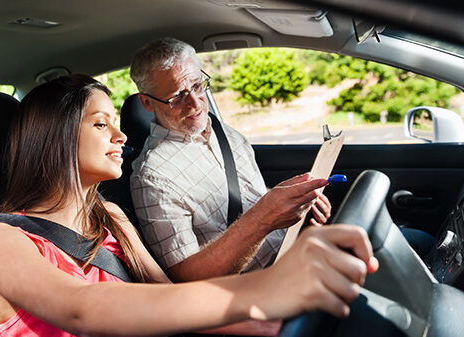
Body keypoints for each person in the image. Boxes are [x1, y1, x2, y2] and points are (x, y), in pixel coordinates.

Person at [0, 74, 378, 337]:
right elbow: (82, 309)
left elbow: (169, 297)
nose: (122, 137)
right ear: (55, 140)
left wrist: (262, 321)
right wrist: (265, 289)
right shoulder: (2, 241)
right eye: (101, 123)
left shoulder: (110, 219)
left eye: (118, 125)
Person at [130, 37, 333, 282]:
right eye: (177, 96)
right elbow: (187, 278)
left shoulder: (220, 130)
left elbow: (248, 195)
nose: (195, 104)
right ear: (147, 102)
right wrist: (263, 218)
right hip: (257, 288)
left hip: (297, 254)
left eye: (197, 86)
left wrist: (297, 203)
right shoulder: (152, 177)